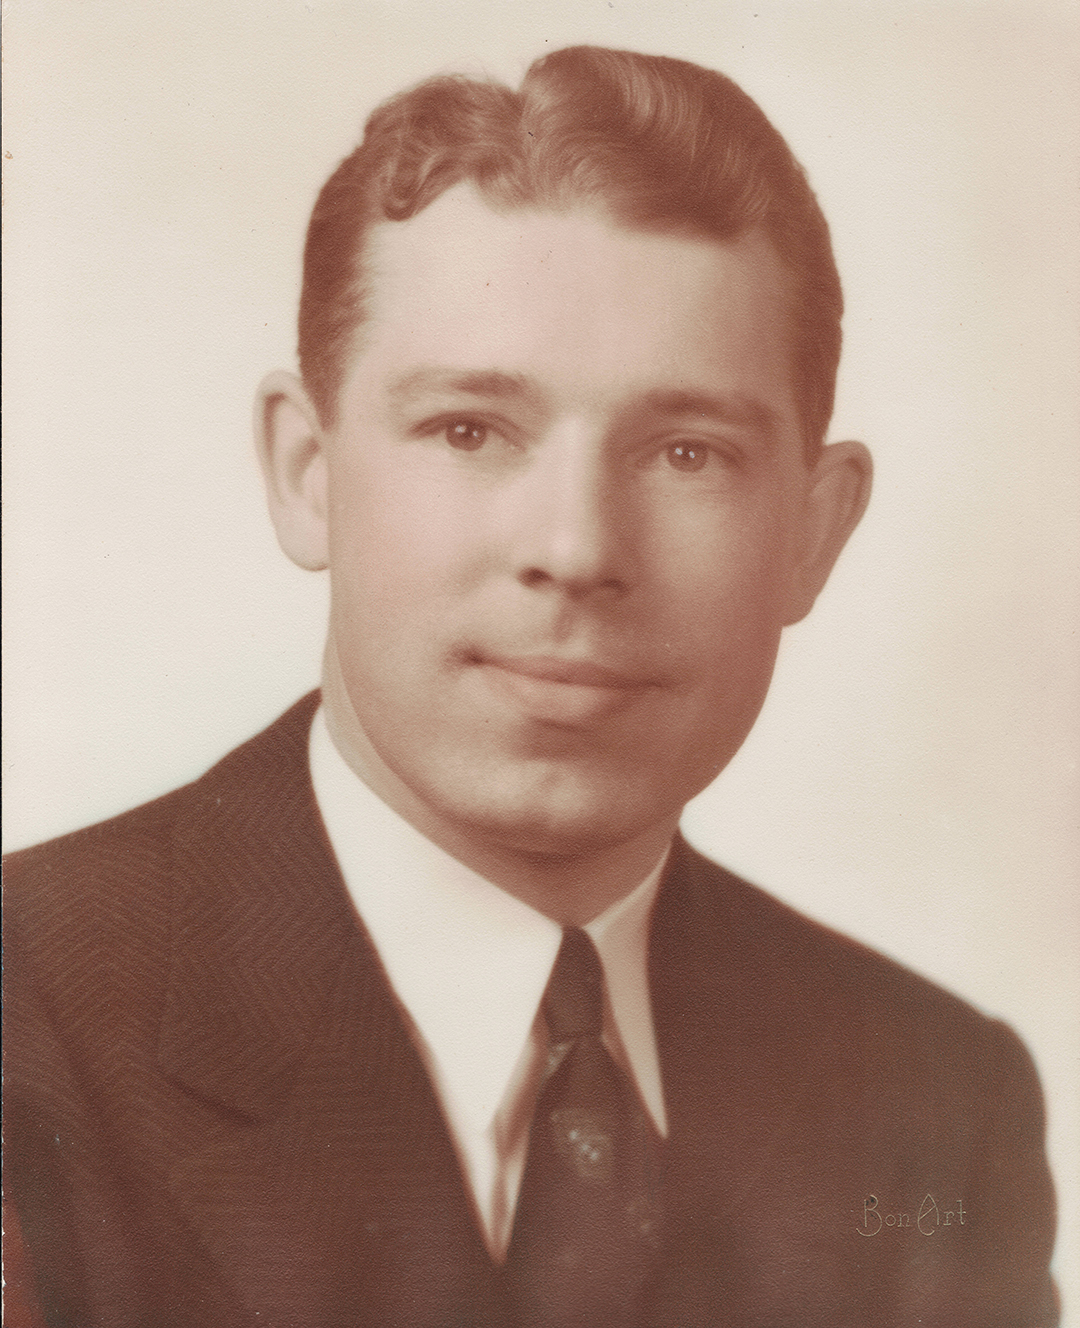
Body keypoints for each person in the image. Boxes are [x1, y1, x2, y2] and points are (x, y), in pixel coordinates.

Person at [4, 45, 1058, 1327]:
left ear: (815, 532)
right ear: (306, 470)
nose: (578, 549)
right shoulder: (30, 1024)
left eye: (687, 451)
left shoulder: (932, 1100)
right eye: (470, 430)